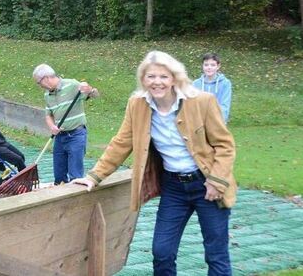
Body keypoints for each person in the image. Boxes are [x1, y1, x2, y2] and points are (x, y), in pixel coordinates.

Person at [73, 50, 236, 275]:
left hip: (206, 185)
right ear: (143, 79)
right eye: (151, 76)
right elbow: (121, 142)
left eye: (163, 76)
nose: (157, 82)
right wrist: (94, 176)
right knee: (162, 251)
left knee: (216, 253)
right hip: (174, 188)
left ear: (174, 78)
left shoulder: (202, 102)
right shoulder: (137, 104)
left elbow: (225, 145)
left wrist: (216, 182)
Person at [32, 64, 99, 185]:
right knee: (59, 177)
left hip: (76, 135)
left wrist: (90, 89)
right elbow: (48, 115)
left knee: (75, 176)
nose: (39, 86)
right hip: (60, 137)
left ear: (46, 78)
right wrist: (52, 127)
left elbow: (95, 94)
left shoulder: (72, 84)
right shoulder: (47, 94)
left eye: (38, 82)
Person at [193, 52, 232, 123]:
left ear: (218, 66)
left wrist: (218, 121)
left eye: (213, 65)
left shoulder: (225, 83)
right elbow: (193, 105)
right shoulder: (195, 84)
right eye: (206, 65)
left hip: (218, 122)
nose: (209, 67)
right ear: (202, 66)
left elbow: (225, 106)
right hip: (199, 124)